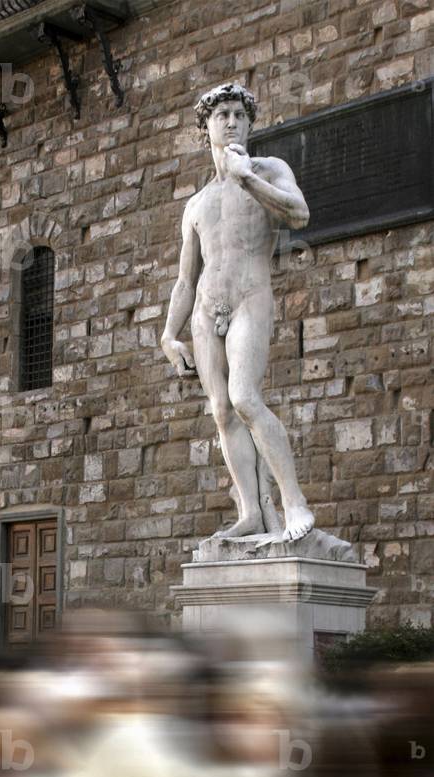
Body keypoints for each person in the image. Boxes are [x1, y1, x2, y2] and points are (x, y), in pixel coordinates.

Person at [160, 81, 314, 542]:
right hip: (207, 309)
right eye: (221, 115)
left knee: (246, 396)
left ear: (249, 123)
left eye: (239, 115)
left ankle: (293, 503)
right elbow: (186, 279)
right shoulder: (196, 204)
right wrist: (169, 335)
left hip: (251, 295)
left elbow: (299, 214)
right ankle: (250, 510)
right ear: (205, 127)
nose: (231, 122)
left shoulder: (268, 169)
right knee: (222, 411)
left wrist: (246, 176)